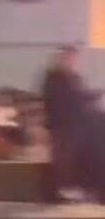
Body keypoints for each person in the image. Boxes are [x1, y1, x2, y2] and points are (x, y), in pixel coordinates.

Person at [41, 46, 98, 202]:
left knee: (71, 158)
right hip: (61, 124)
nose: (71, 61)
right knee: (62, 159)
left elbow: (81, 95)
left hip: (75, 124)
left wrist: (93, 96)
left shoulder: (74, 77)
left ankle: (67, 190)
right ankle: (56, 192)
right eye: (68, 57)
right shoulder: (54, 77)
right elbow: (55, 99)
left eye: (73, 58)